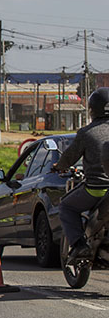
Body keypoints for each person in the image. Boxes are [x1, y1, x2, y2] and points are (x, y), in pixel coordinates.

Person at [53, 88, 109, 264]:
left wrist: (58, 166)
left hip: (96, 189)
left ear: (93, 109)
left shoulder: (86, 133)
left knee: (66, 207)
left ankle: (79, 245)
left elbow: (69, 157)